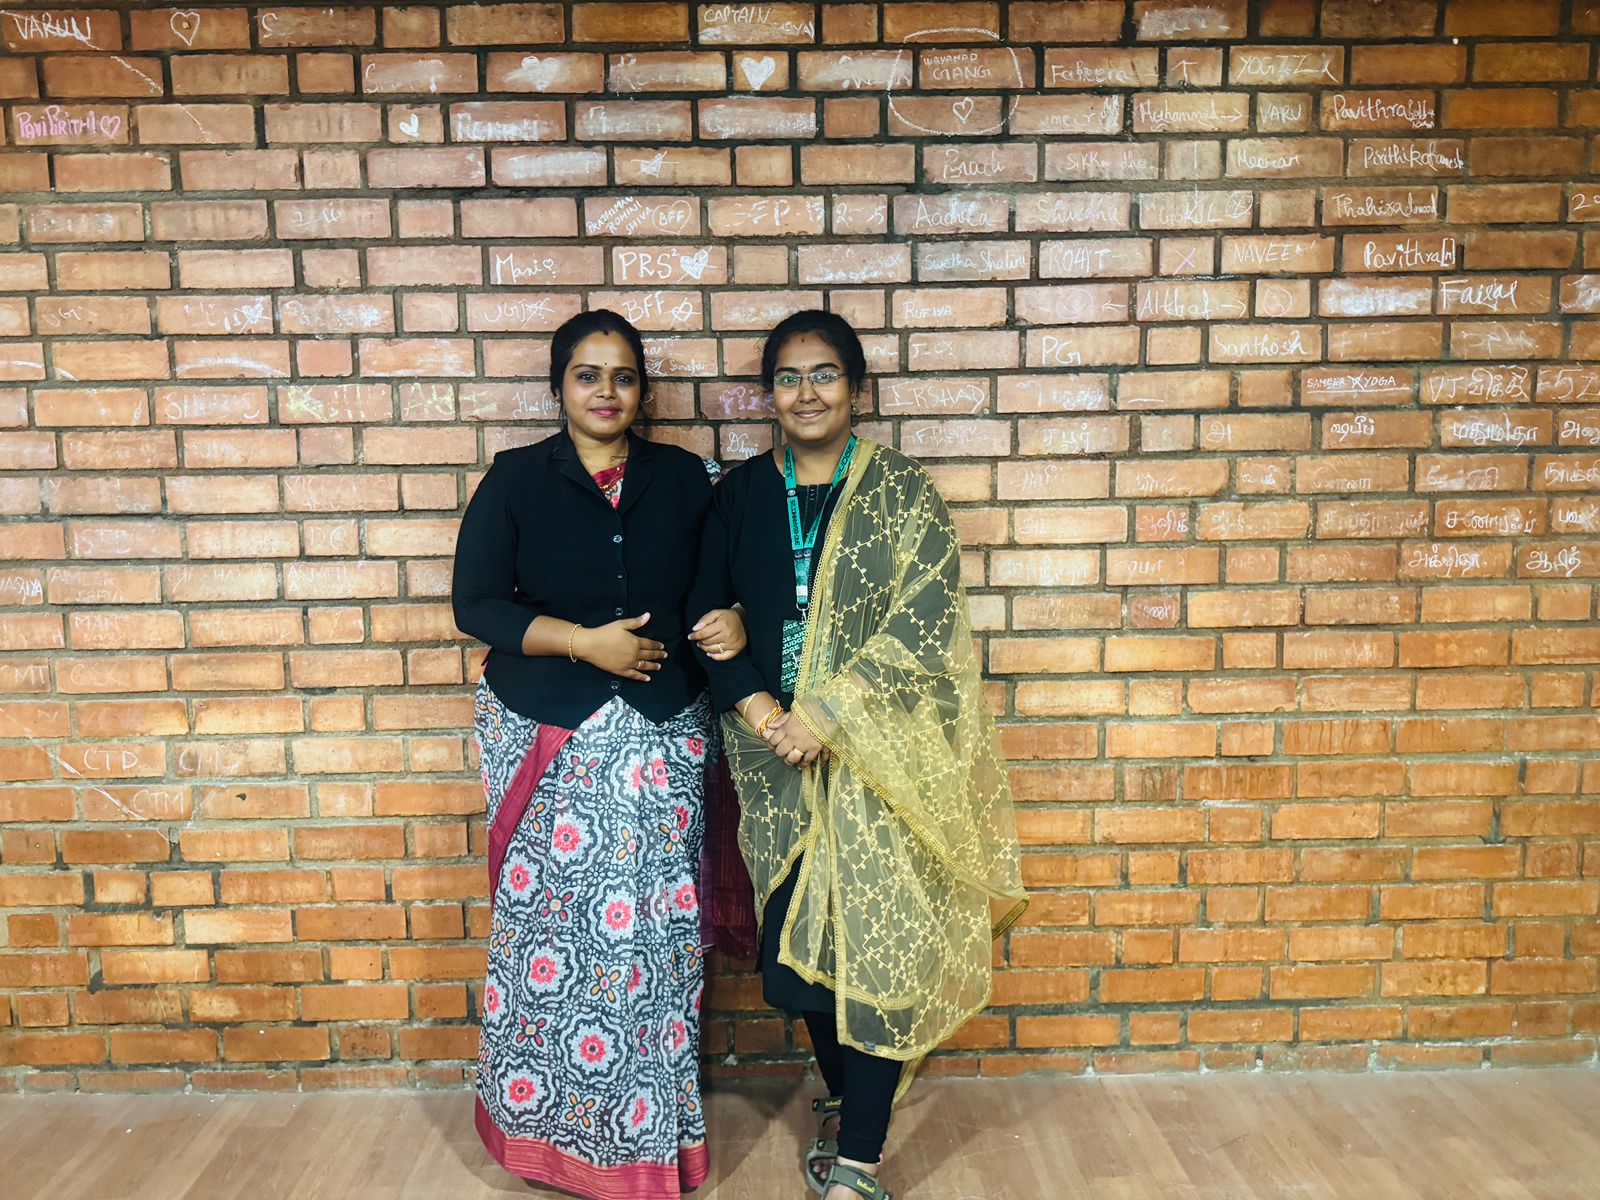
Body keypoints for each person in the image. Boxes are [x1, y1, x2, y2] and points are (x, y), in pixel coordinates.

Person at [692, 311, 1028, 1200]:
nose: (806, 393)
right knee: (800, 961)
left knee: (879, 947)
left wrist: (830, 714)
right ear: (769, 394)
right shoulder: (739, 497)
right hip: (775, 757)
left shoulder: (903, 493)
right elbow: (705, 616)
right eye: (788, 377)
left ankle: (860, 1163)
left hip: (882, 755)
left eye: (825, 374)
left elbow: (924, 619)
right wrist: (766, 712)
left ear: (856, 389)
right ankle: (848, 1100)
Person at [452, 309, 745, 1200]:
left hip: (662, 730)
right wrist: (584, 643)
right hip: (550, 730)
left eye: (623, 376)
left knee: (655, 938)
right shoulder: (515, 479)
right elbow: (476, 604)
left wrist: (732, 619)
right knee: (549, 938)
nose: (606, 391)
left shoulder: (686, 479)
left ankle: (644, 1143)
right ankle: (547, 1133)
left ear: (642, 390)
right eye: (587, 374)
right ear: (559, 387)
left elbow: (720, 586)